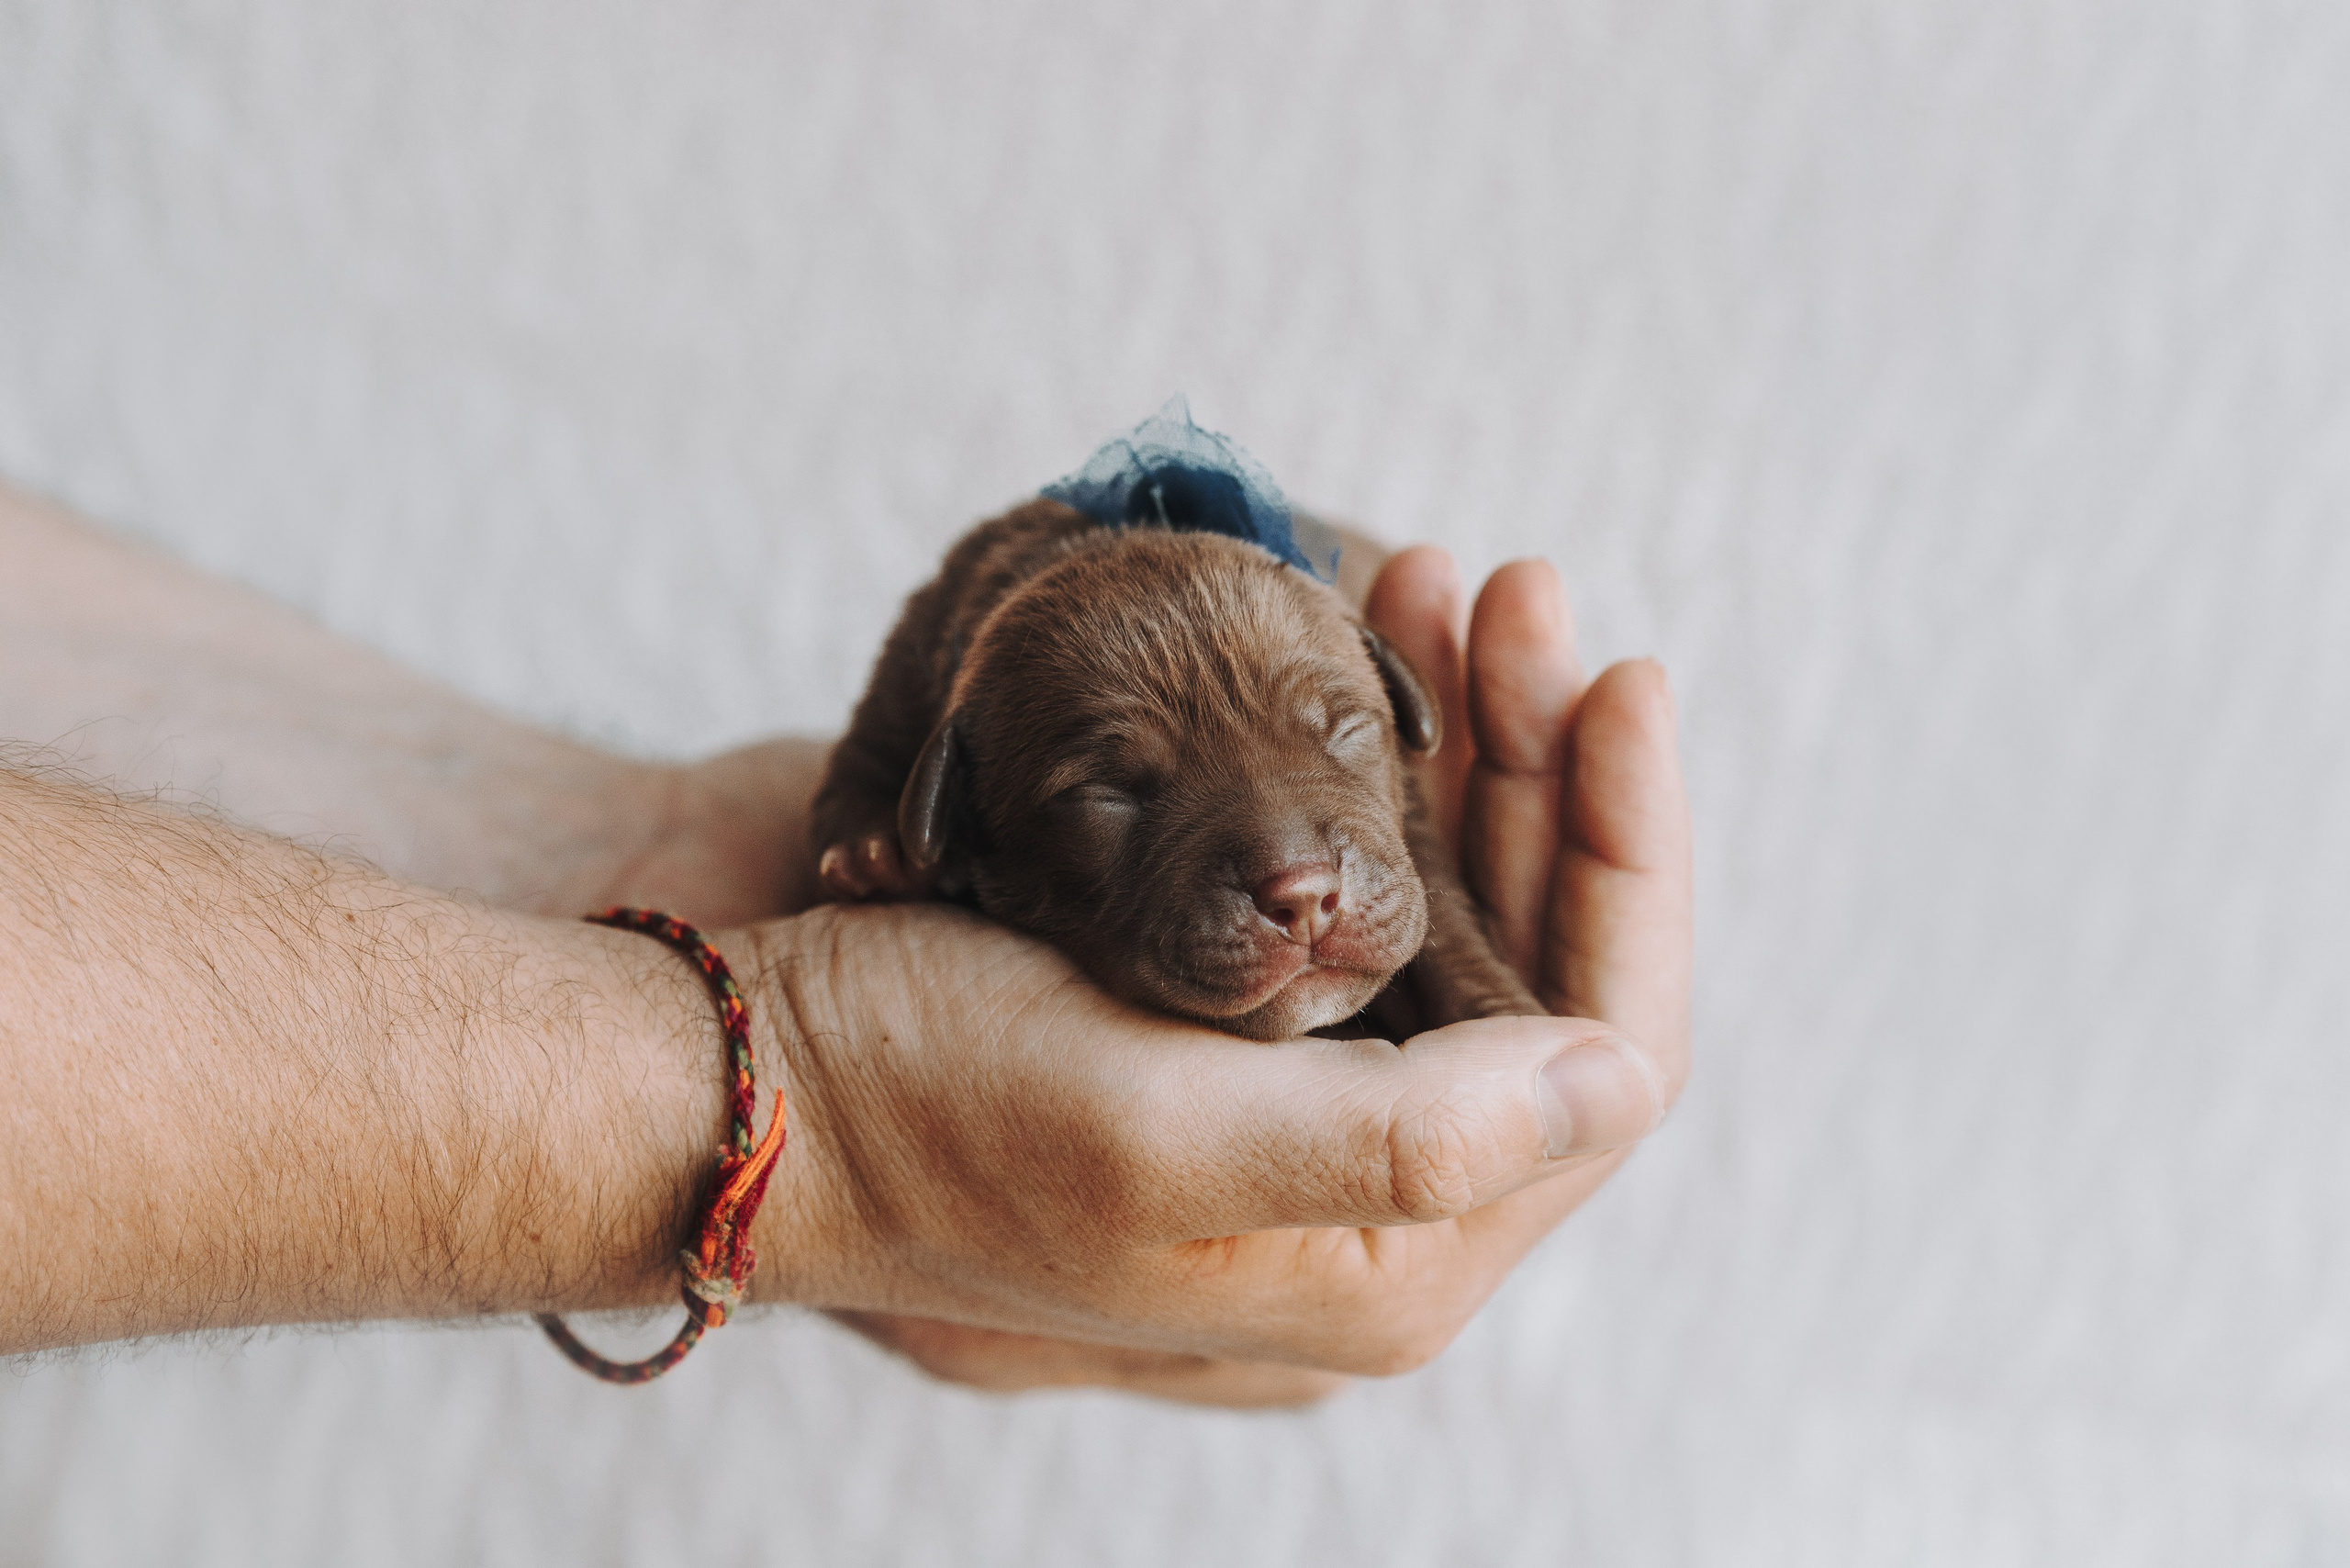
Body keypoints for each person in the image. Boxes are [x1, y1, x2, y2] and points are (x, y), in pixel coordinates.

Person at [0, 478, 1690, 1407]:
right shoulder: (944, 701)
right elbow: (889, 765)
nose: (1301, 875)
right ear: (961, 812)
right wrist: (819, 1118)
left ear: (1401, 716)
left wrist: (602, 863)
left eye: (1342, 731)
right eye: (1112, 794)